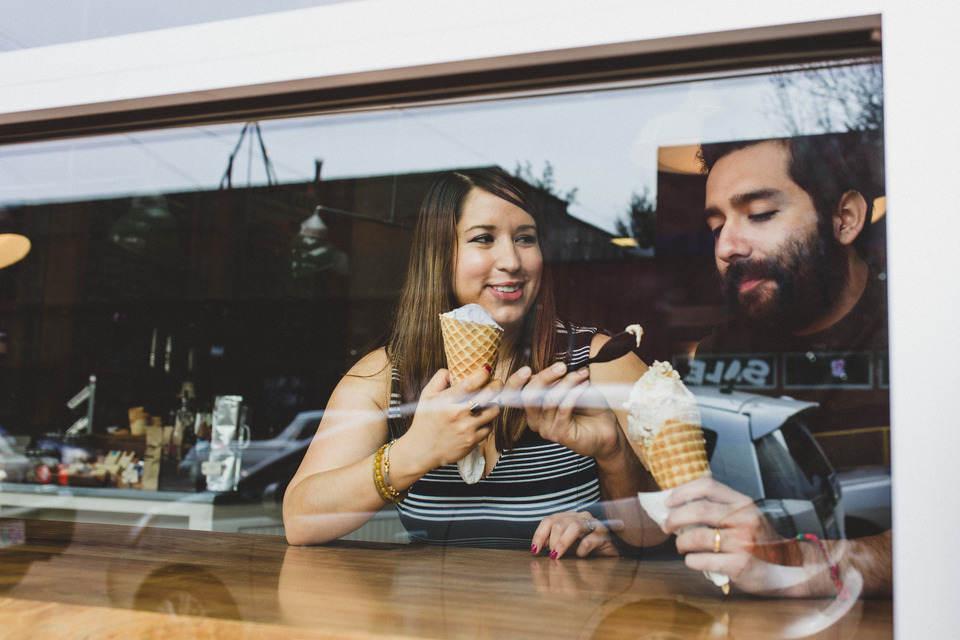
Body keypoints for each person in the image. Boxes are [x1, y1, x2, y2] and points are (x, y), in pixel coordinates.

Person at [284, 167, 663, 557]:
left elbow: (665, 536)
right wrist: (412, 454)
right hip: (432, 616)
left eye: (525, 239)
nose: (512, 260)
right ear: (440, 254)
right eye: (484, 238)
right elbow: (299, 519)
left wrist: (614, 464)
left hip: (562, 614)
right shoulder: (383, 378)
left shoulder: (600, 362)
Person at [661, 133, 892, 597]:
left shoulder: (920, 338)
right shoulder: (719, 355)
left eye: (760, 214)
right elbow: (689, 515)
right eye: (716, 226)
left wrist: (795, 560)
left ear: (844, 219)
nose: (726, 246)